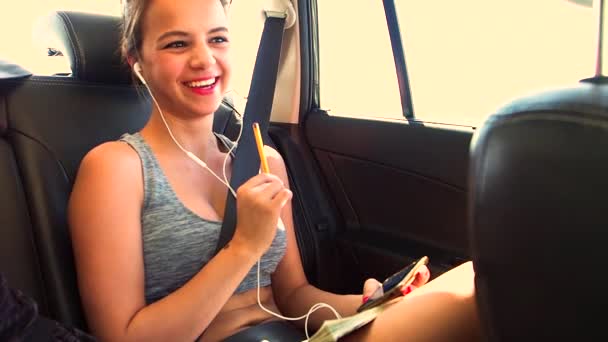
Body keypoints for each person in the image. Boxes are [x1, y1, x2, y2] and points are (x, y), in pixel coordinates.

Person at [67, 0, 481, 341]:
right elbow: (121, 337)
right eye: (177, 44)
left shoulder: (266, 161)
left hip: (295, 336)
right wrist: (243, 247)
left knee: (484, 281)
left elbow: (294, 296)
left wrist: (367, 304)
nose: (203, 59)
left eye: (218, 39)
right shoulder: (116, 169)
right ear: (137, 60)